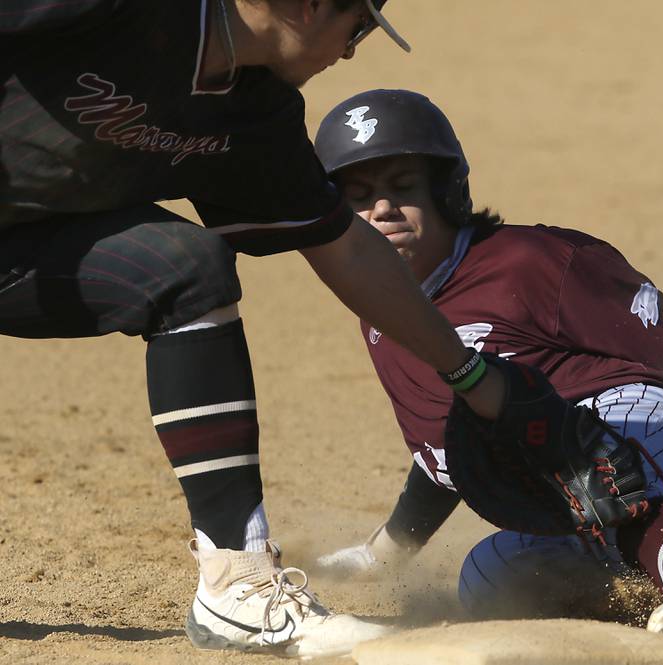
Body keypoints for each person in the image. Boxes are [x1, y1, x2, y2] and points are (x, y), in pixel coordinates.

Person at [0, 4, 521, 658]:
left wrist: (472, 375)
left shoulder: (252, 115)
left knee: (187, 268)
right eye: (357, 25)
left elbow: (348, 251)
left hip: (17, 256)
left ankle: (236, 584)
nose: (354, 51)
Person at [312, 88, 663, 653]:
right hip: (571, 491)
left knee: (579, 461)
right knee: (488, 581)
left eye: (403, 189)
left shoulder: (531, 262)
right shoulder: (381, 311)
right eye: (360, 198)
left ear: (447, 192)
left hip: (656, 438)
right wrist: (381, 554)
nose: (382, 211)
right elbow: (456, 452)